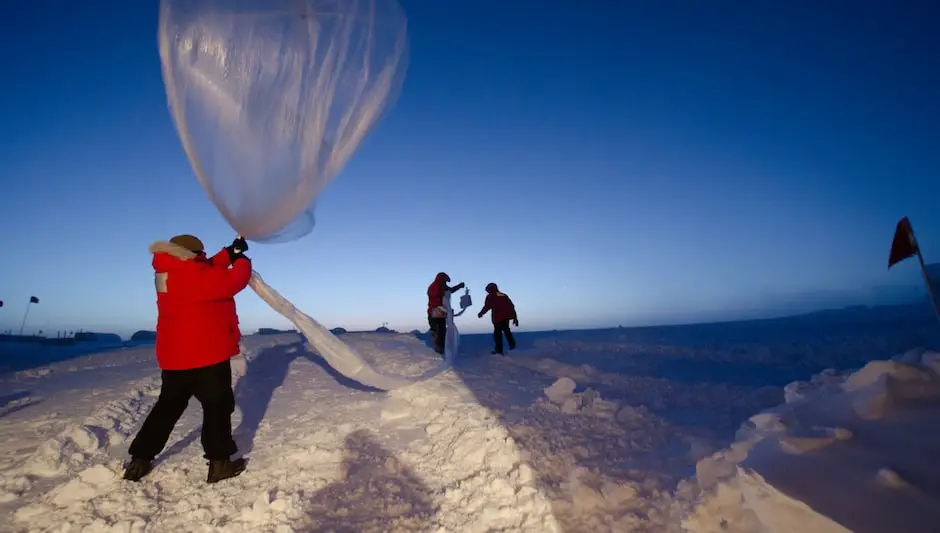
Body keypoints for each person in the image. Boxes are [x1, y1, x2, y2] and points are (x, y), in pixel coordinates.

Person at [123, 234, 252, 484]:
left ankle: (140, 459)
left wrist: (229, 253)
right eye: (200, 254)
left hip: (174, 358)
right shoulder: (196, 275)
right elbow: (232, 280)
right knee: (217, 408)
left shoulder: (168, 272)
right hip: (207, 355)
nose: (203, 258)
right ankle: (219, 464)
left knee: (167, 408)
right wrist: (242, 261)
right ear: (192, 254)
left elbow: (205, 271)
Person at [427, 272, 464, 355]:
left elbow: (450, 290)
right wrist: (444, 304)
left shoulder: (442, 286)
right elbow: (435, 296)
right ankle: (438, 353)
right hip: (435, 311)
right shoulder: (434, 286)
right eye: (445, 281)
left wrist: (459, 286)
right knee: (438, 332)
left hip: (441, 311)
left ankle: (442, 351)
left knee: (442, 331)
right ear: (441, 279)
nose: (445, 283)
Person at [477, 282, 518, 355]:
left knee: (497, 334)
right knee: (506, 331)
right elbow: (511, 306)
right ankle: (512, 346)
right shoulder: (503, 295)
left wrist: (481, 313)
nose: (488, 292)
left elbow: (487, 306)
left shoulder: (491, 296)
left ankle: (499, 350)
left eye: (488, 290)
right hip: (505, 317)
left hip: (498, 318)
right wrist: (515, 317)